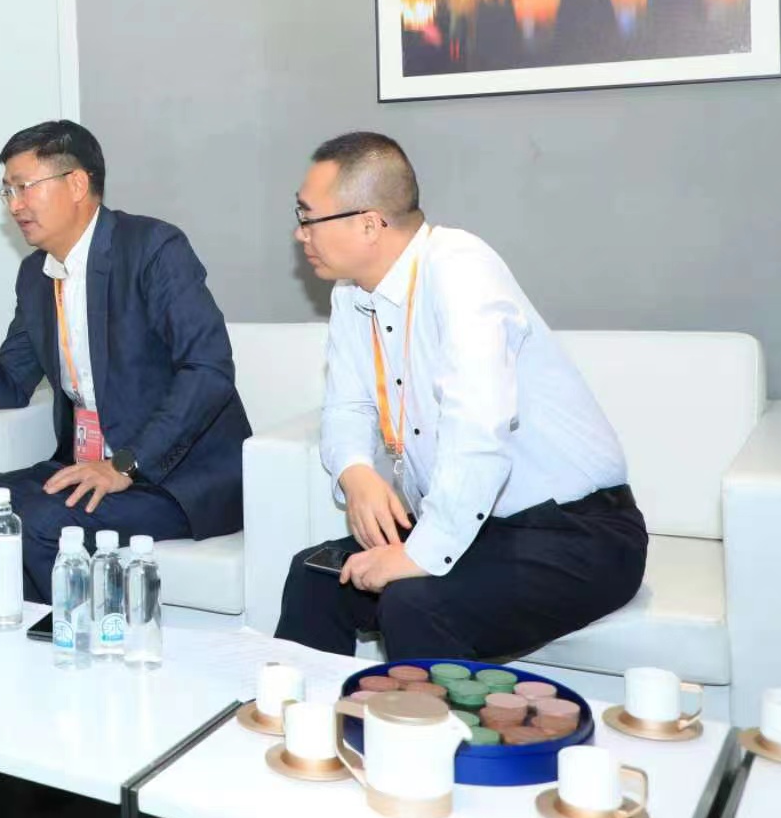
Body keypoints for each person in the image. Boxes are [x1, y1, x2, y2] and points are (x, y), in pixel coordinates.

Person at [275, 132, 648, 660]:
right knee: (316, 576)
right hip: (473, 525)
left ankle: (419, 719)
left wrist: (419, 555)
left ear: (369, 223)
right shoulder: (351, 296)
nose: (300, 233)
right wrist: (356, 474)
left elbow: (478, 425)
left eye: (308, 216)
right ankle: (307, 715)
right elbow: (347, 405)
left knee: (414, 602)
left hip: (577, 533)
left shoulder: (460, 269)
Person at [0, 120, 251, 603]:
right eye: (7, 191)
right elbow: (12, 383)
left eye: (25, 187)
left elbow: (208, 370)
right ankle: (37, 634)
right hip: (88, 466)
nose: (14, 205)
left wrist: (124, 464)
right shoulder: (36, 275)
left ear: (76, 183)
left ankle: (67, 637)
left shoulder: (153, 249)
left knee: (41, 523)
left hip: (174, 478)